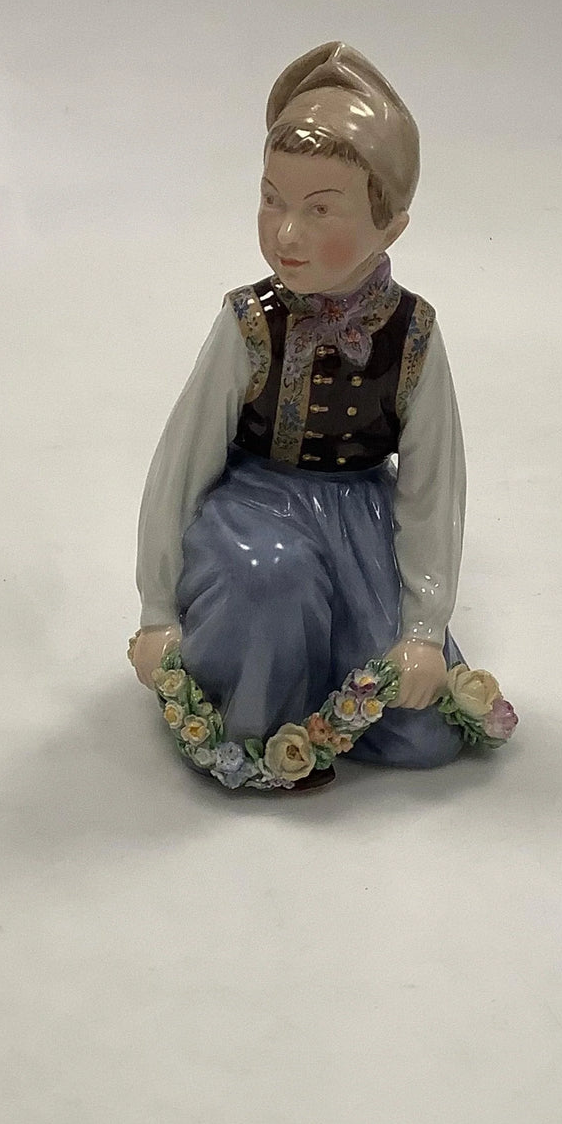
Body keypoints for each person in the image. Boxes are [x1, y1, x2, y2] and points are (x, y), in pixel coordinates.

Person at [130, 42, 470, 791]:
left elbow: (433, 486)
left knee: (417, 730)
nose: (287, 234)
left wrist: (423, 629)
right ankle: (254, 731)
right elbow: (181, 462)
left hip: (359, 521)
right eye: (272, 200)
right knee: (269, 578)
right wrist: (158, 609)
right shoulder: (249, 323)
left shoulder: (413, 333)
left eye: (320, 210)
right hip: (254, 506)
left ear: (391, 225)